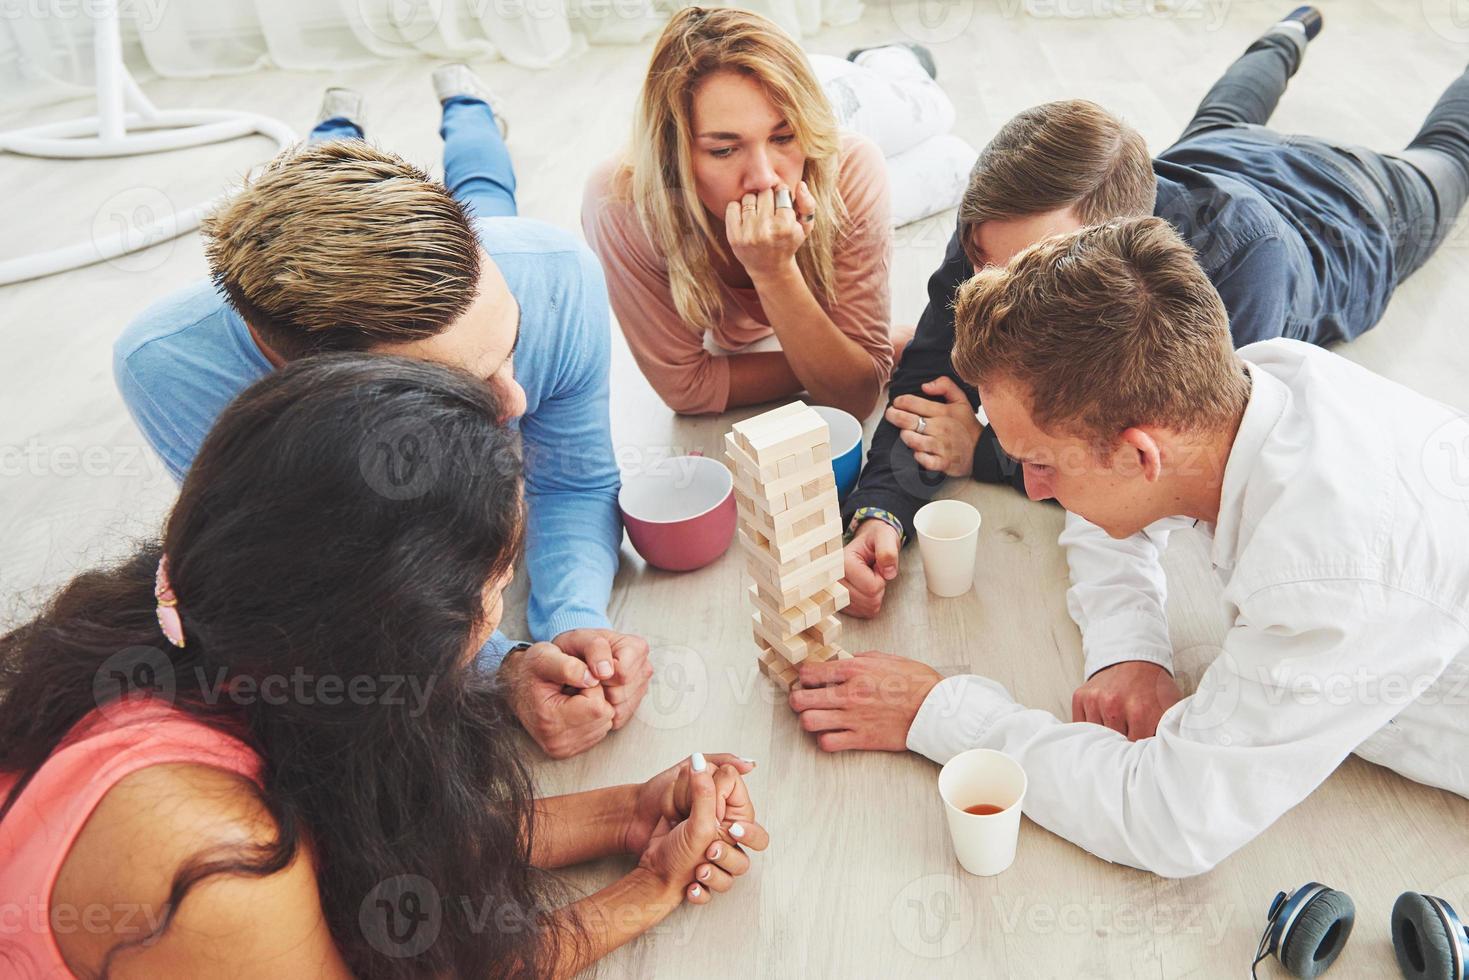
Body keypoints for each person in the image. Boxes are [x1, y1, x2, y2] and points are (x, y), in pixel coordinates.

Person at [0, 356, 767, 976]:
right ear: (393, 636)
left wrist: (623, 813)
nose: (500, 620)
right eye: (497, 588)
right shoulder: (218, 863)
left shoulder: (215, 628)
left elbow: (374, 847)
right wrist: (650, 890)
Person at [791, 216, 1469, 876]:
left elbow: (1165, 820)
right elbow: (1107, 502)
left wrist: (935, 710)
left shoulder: (1327, 577)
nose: (1032, 488)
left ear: (1138, 453)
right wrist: (1129, 648)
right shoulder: (1260, 381)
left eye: (1041, 463)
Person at [840, 3, 1469, 680]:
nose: (1003, 290)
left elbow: (1157, 467)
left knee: (1450, 150)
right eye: (990, 264)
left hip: (1351, 210)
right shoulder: (1008, 233)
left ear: (1115, 248)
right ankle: (1284, 35)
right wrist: (882, 509)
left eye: (1032, 271)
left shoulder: (1244, 272)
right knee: (1226, 111)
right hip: (1213, 155)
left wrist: (981, 449)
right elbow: (932, 371)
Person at [113, 67, 650, 760]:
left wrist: (572, 625)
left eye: (509, 346)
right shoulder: (171, 371)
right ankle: (336, 126)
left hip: (499, 224)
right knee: (311, 160)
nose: (515, 405)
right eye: (464, 389)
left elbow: (574, 483)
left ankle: (468, 107)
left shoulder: (554, 276)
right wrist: (500, 667)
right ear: (311, 396)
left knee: (489, 188)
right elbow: (321, 573)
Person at [581, 6, 897, 418]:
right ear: (672, 156)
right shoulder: (621, 202)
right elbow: (687, 389)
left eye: (783, 137)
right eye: (724, 150)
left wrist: (774, 271)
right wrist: (835, 363)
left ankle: (891, 59)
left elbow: (855, 397)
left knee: (940, 139)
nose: (765, 179)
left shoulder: (851, 164)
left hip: (851, 98)